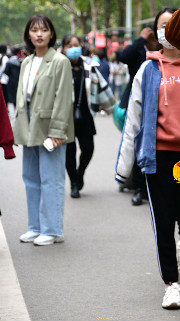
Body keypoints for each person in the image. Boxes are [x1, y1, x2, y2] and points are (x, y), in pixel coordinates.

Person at [115, 8, 180, 310]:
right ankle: (171, 284)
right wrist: (125, 167)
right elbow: (133, 121)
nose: (169, 29)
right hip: (158, 158)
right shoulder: (147, 70)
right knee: (163, 222)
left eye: (175, 24)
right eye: (164, 25)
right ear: (155, 31)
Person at [12, 15, 74, 246]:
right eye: (34, 30)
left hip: (51, 128)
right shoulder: (26, 62)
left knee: (51, 179)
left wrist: (57, 131)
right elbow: (21, 98)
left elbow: (63, 99)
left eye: (44, 30)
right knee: (30, 178)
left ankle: (51, 229)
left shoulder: (60, 61)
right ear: (28, 34)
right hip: (28, 126)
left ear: (51, 34)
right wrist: (17, 129)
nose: (39, 34)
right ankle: (35, 227)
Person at [61, 34, 116, 198]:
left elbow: (101, 86)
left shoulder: (90, 65)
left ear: (81, 45)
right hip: (65, 116)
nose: (73, 48)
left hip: (85, 115)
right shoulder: (59, 66)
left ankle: (80, 173)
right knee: (69, 153)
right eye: (69, 45)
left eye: (75, 45)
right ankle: (73, 184)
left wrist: (112, 107)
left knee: (88, 149)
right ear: (63, 49)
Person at [118, 24, 159, 205]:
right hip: (137, 103)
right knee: (137, 145)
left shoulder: (166, 50)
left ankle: (155, 189)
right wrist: (141, 39)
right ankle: (138, 188)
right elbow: (123, 57)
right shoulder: (138, 51)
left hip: (161, 106)